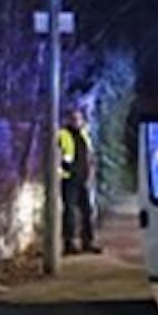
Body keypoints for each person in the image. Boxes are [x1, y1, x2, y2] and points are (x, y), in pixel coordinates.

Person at [59, 108, 100, 254]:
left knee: (87, 211)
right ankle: (69, 244)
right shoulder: (62, 135)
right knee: (69, 212)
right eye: (74, 118)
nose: (77, 121)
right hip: (68, 179)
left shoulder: (84, 134)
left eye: (79, 119)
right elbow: (56, 156)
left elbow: (89, 155)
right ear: (68, 120)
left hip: (83, 178)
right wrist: (62, 170)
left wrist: (91, 173)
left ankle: (87, 242)